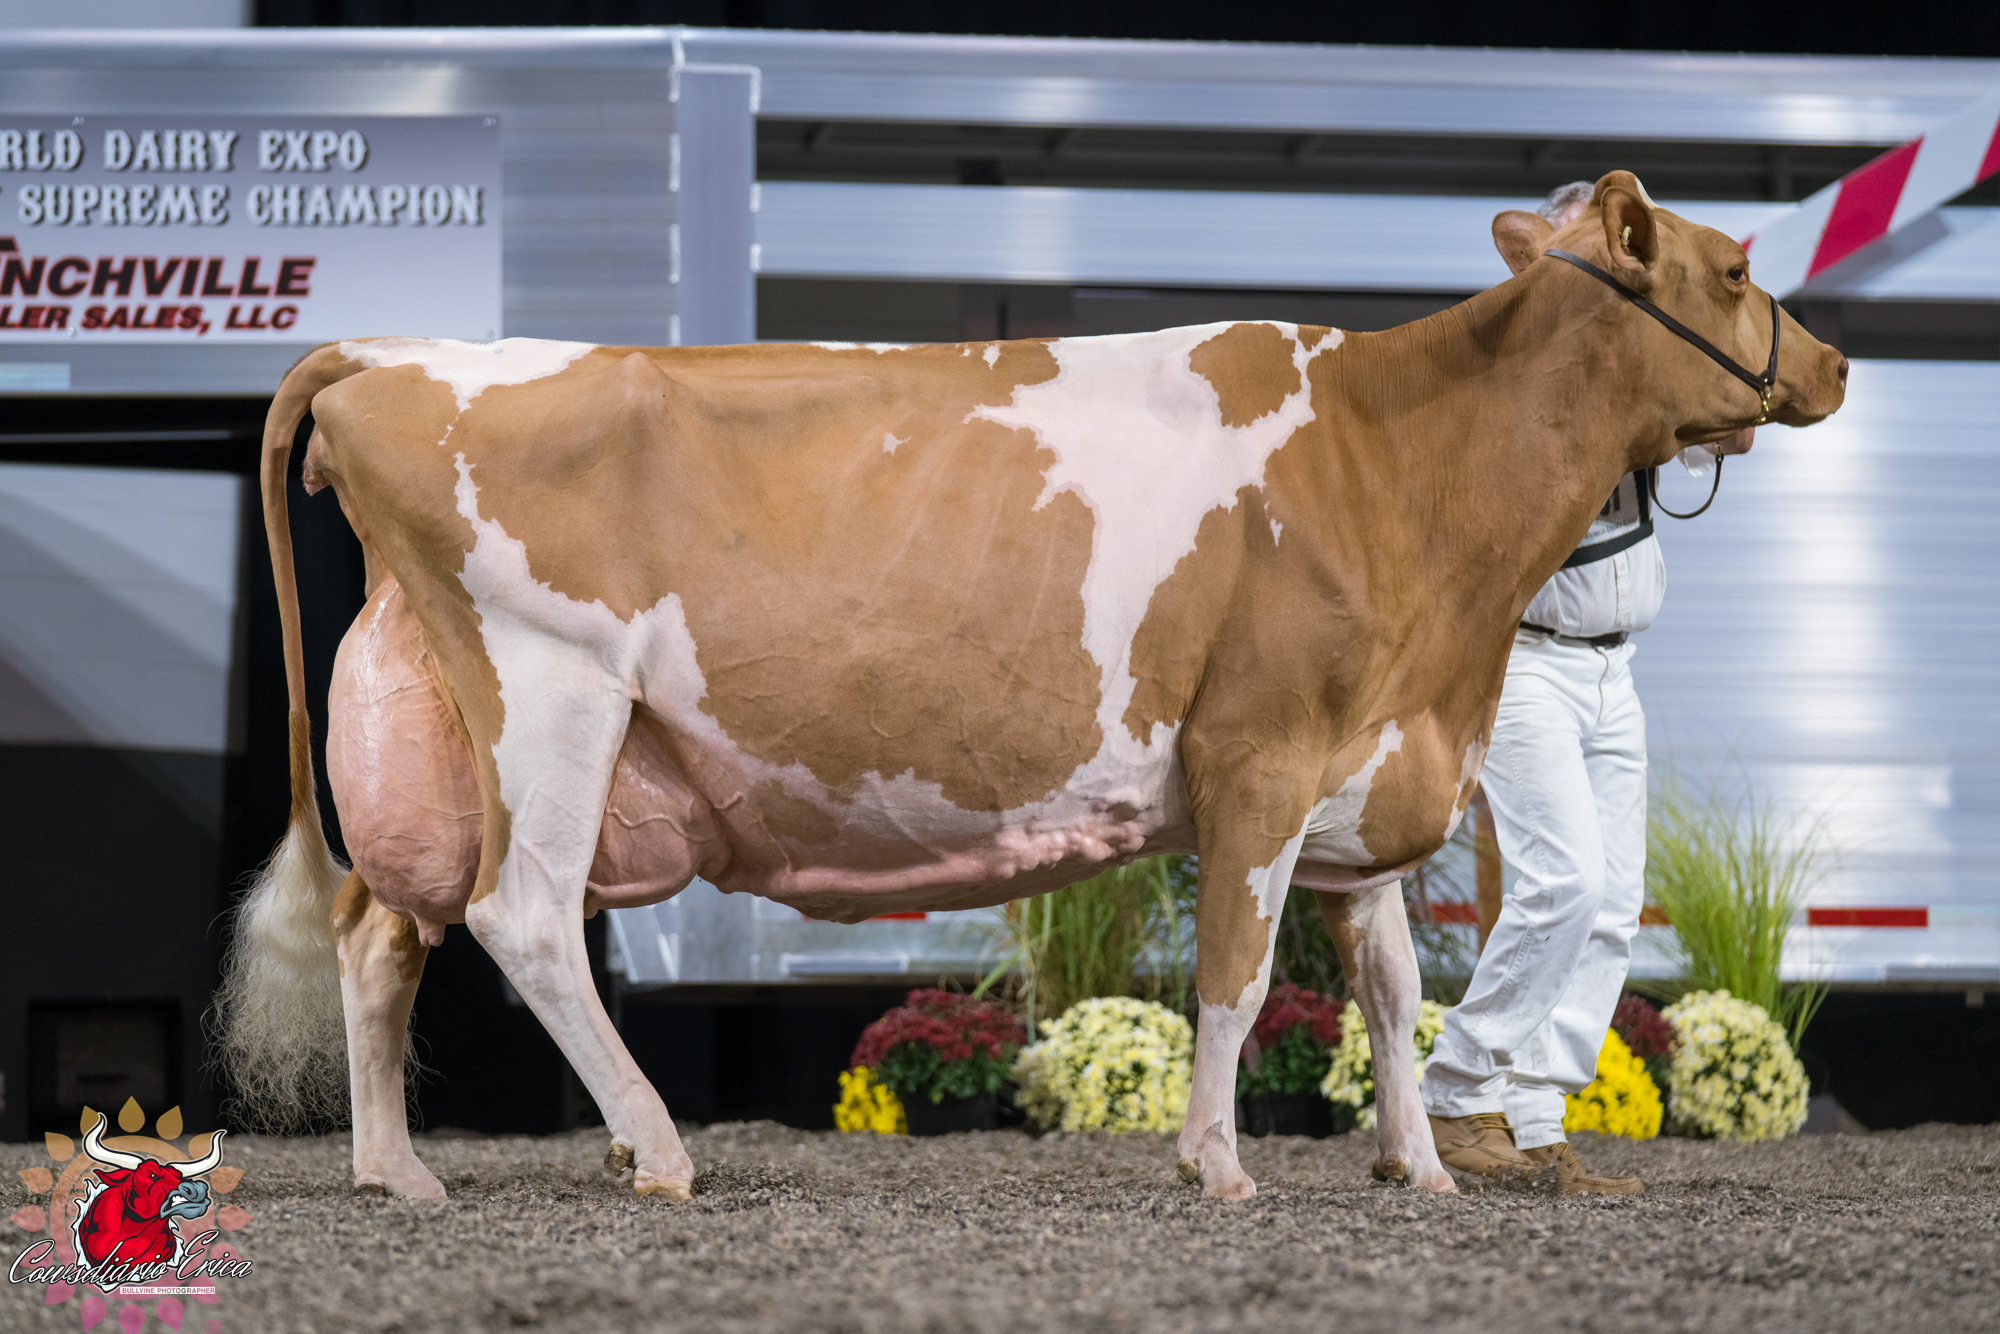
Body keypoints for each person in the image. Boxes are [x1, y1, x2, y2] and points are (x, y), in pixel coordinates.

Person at [1419, 180, 1753, 1194]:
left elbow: (1738, 426)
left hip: (1615, 666)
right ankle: (1455, 1090)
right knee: (1562, 881)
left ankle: (1532, 1118)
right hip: (1526, 659)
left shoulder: (1637, 366)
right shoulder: (1511, 373)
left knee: (1609, 904)